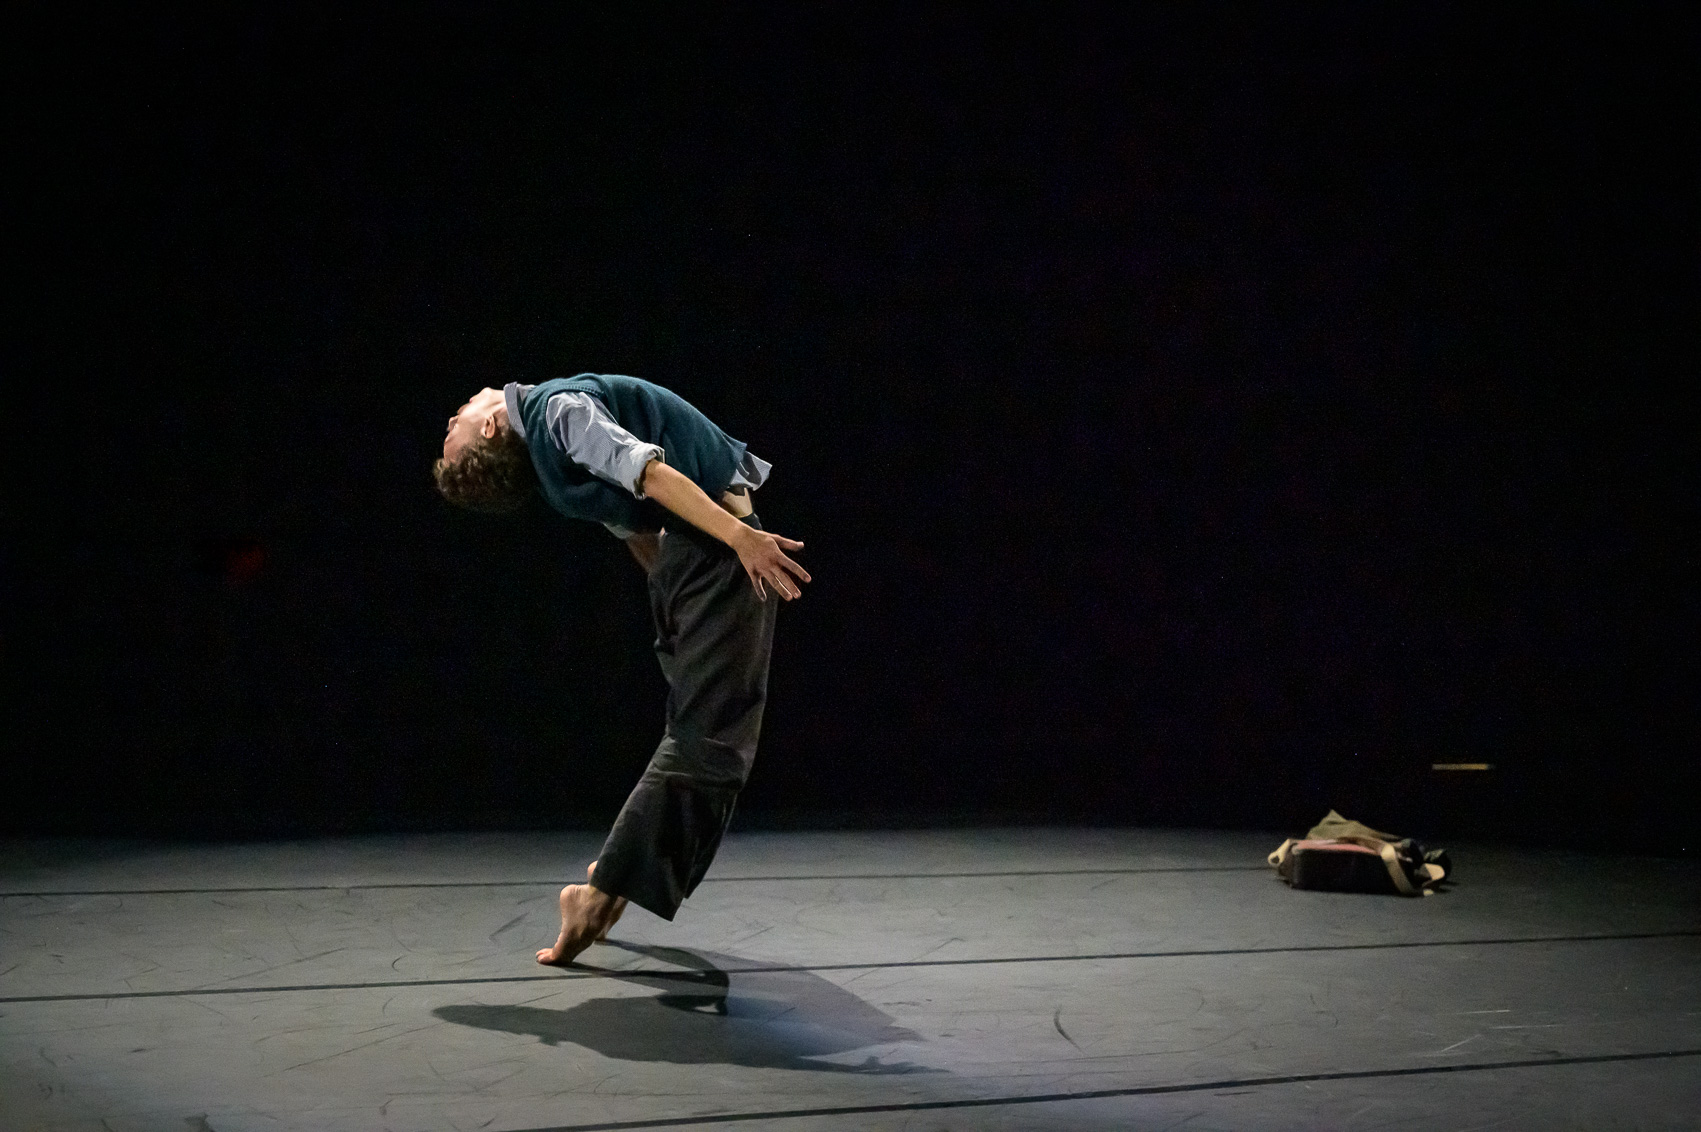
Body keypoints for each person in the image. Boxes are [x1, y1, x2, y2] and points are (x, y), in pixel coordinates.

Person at [433, 374, 810, 966]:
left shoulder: (555, 468)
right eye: (456, 417)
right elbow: (652, 478)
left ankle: (612, 885)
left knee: (711, 748)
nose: (461, 406)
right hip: (714, 554)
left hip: (695, 567)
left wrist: (680, 599)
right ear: (488, 425)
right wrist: (743, 541)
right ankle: (600, 891)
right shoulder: (559, 412)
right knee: (706, 746)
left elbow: (636, 531)